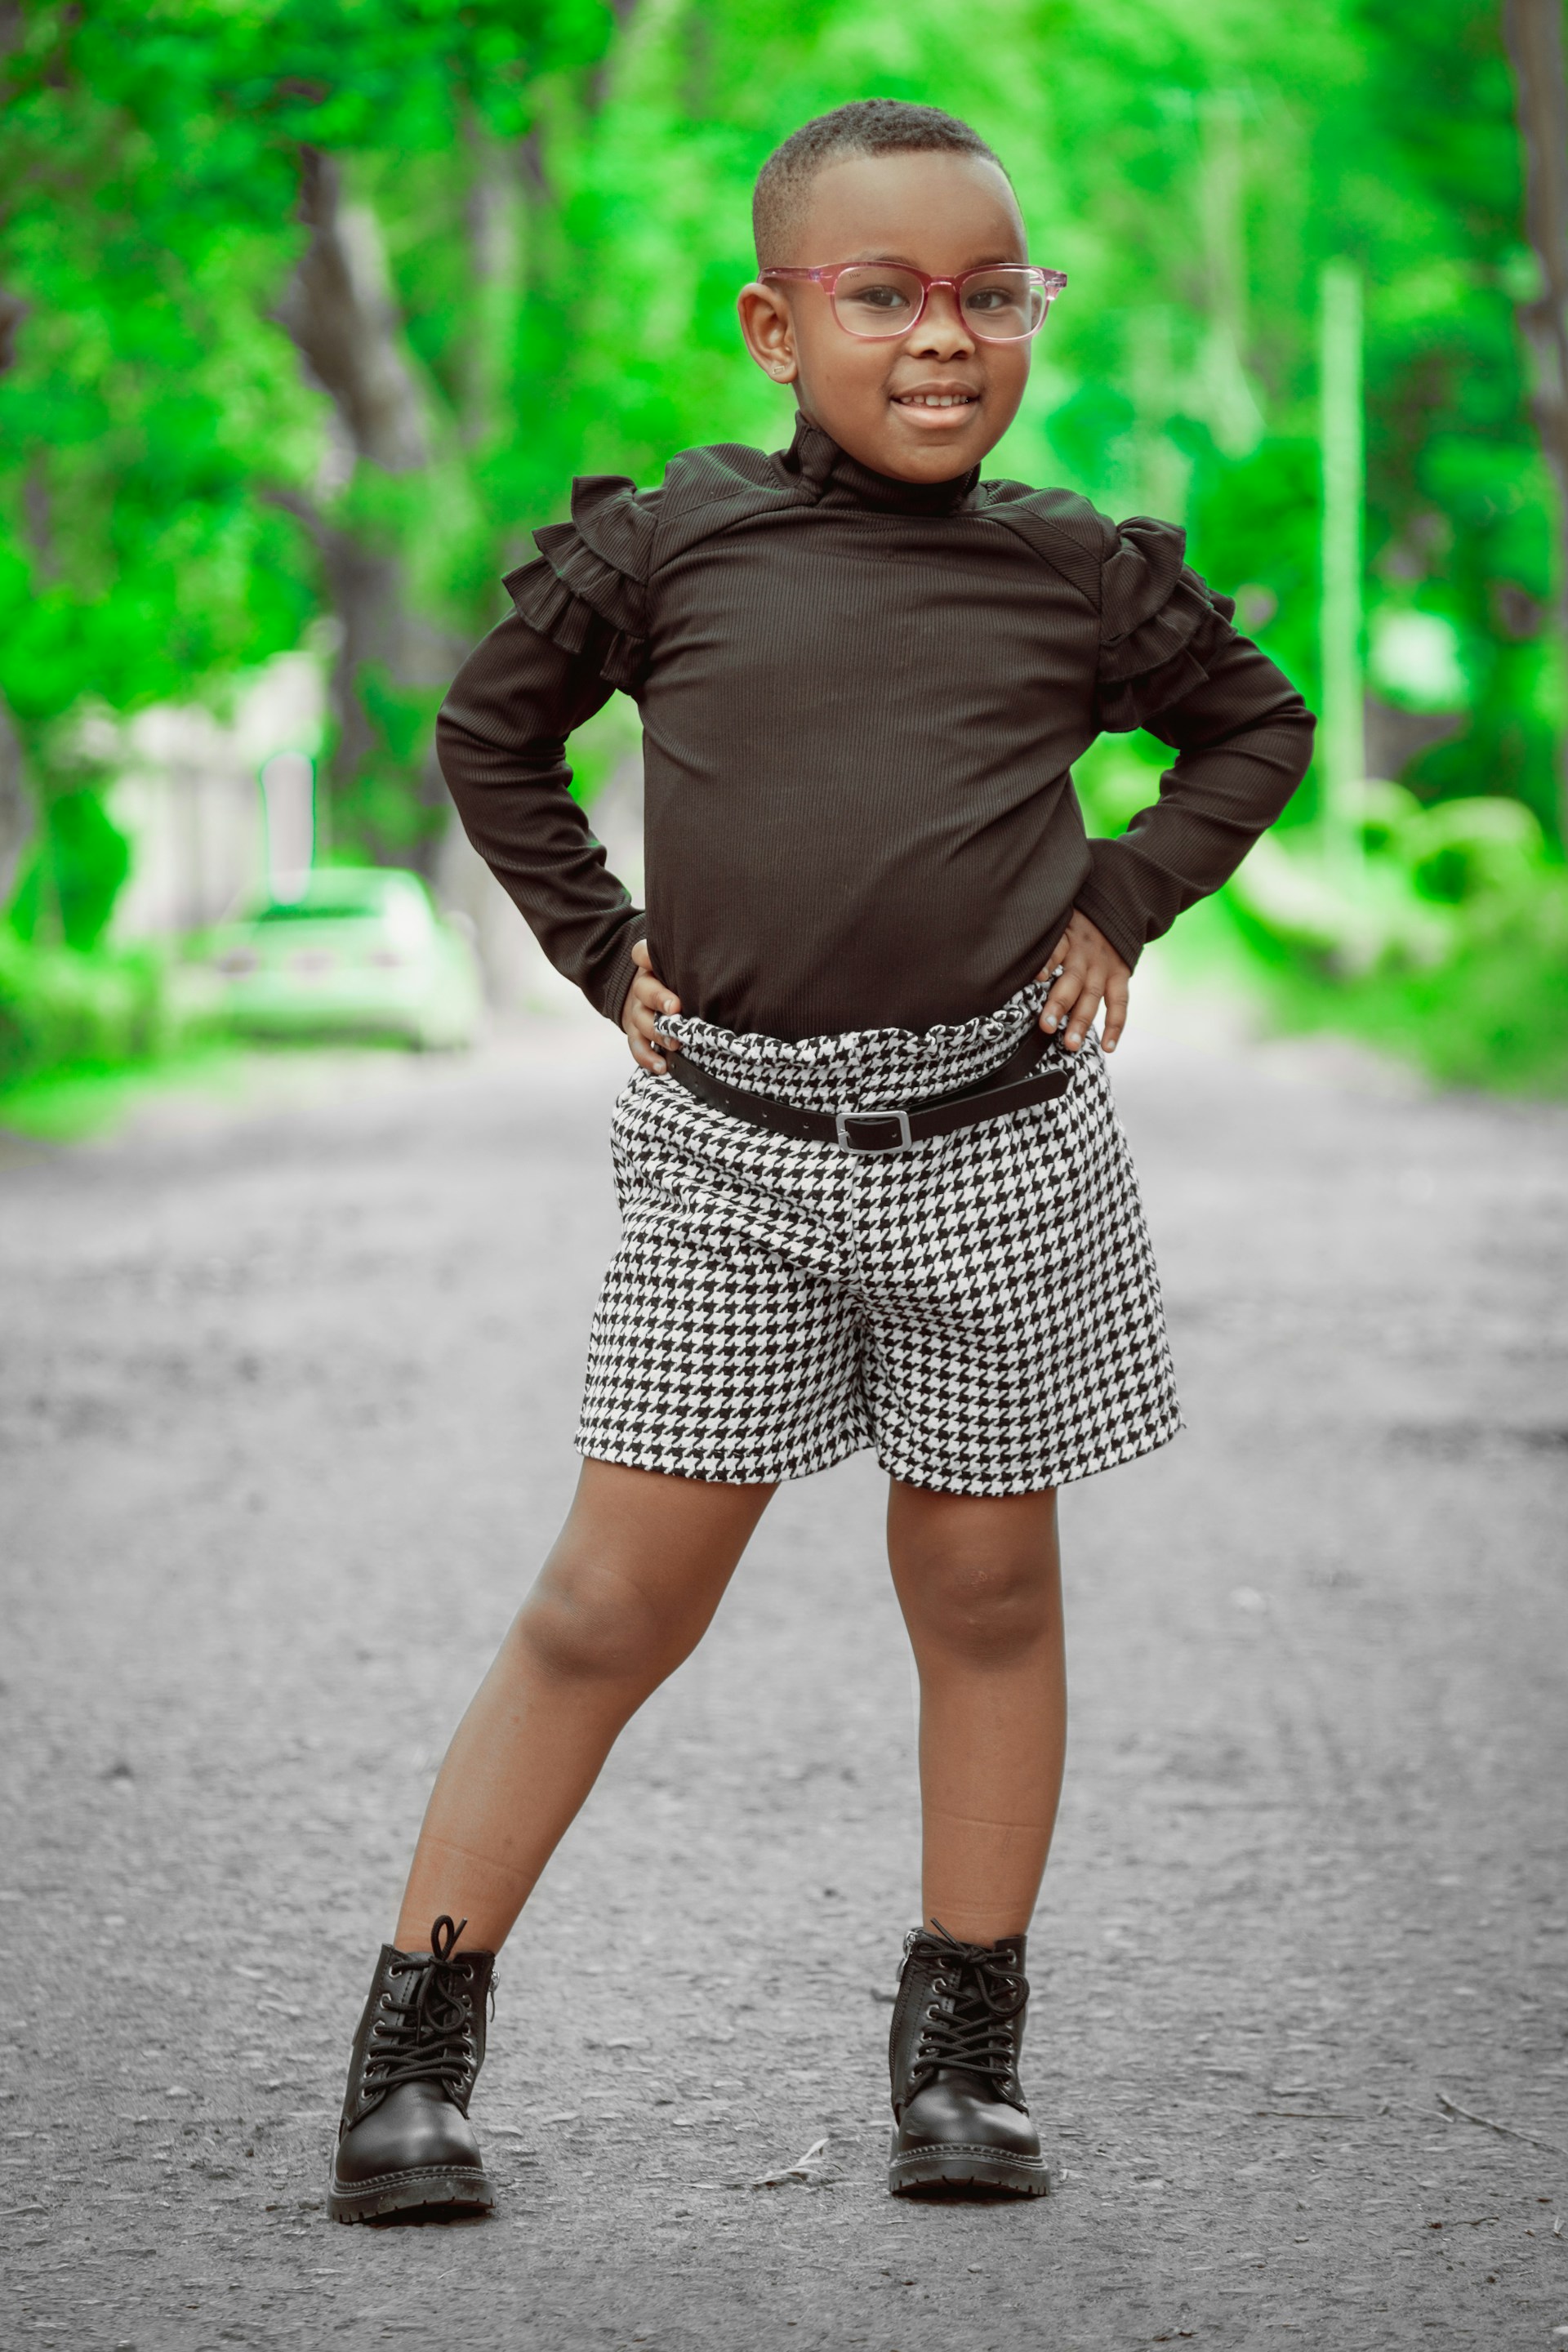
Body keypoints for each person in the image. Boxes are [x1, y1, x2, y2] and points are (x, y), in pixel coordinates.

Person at [326, 98, 1315, 2225]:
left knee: (983, 1587)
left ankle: (963, 2057)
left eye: (990, 294)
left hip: (1001, 1156)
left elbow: (1258, 726)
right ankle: (413, 2053)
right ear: (778, 326)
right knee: (607, 1605)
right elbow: (492, 736)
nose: (945, 339)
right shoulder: (682, 544)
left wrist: (1124, 898)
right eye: (887, 297)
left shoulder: (1071, 570)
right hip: (734, 1158)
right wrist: (602, 953)